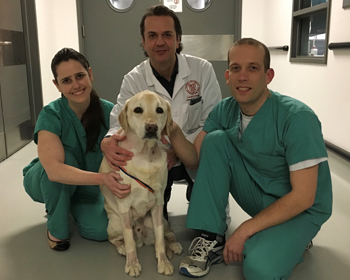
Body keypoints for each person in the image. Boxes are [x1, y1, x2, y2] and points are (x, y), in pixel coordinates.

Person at [166, 38, 332, 279]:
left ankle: (297, 237)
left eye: (253, 68)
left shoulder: (297, 118)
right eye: (236, 68)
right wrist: (172, 130)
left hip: (301, 208)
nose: (242, 76)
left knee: (259, 269)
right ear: (227, 76)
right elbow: (194, 160)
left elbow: (304, 196)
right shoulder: (225, 110)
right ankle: (212, 236)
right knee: (215, 141)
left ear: (269, 75)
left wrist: (245, 229)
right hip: (260, 191)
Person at [101, 5, 222, 219]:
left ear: (178, 38)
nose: (160, 42)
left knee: (206, 220)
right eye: (152, 36)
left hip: (195, 154)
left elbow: (212, 123)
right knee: (156, 224)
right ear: (143, 41)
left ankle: (198, 194)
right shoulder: (133, 79)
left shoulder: (202, 70)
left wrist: (180, 147)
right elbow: (118, 124)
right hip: (155, 158)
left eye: (167, 35)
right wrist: (108, 141)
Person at [22, 48, 126, 251]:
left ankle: (69, 206)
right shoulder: (51, 114)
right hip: (46, 179)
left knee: (102, 231)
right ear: (57, 85)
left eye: (80, 76)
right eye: (66, 80)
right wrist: (102, 179)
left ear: (90, 74)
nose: (76, 85)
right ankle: (56, 231)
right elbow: (54, 170)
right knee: (65, 160)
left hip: (88, 186)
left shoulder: (109, 111)